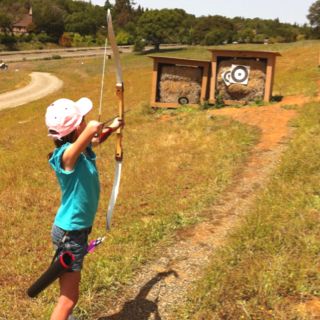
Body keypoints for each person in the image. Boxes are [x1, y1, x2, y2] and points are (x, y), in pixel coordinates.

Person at [45, 97, 122, 320]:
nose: (88, 121)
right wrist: (89, 130)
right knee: (68, 299)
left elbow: (94, 141)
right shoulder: (65, 156)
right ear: (76, 127)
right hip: (70, 233)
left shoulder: (80, 148)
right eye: (84, 120)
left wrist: (111, 128)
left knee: (68, 292)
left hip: (74, 231)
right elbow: (76, 149)